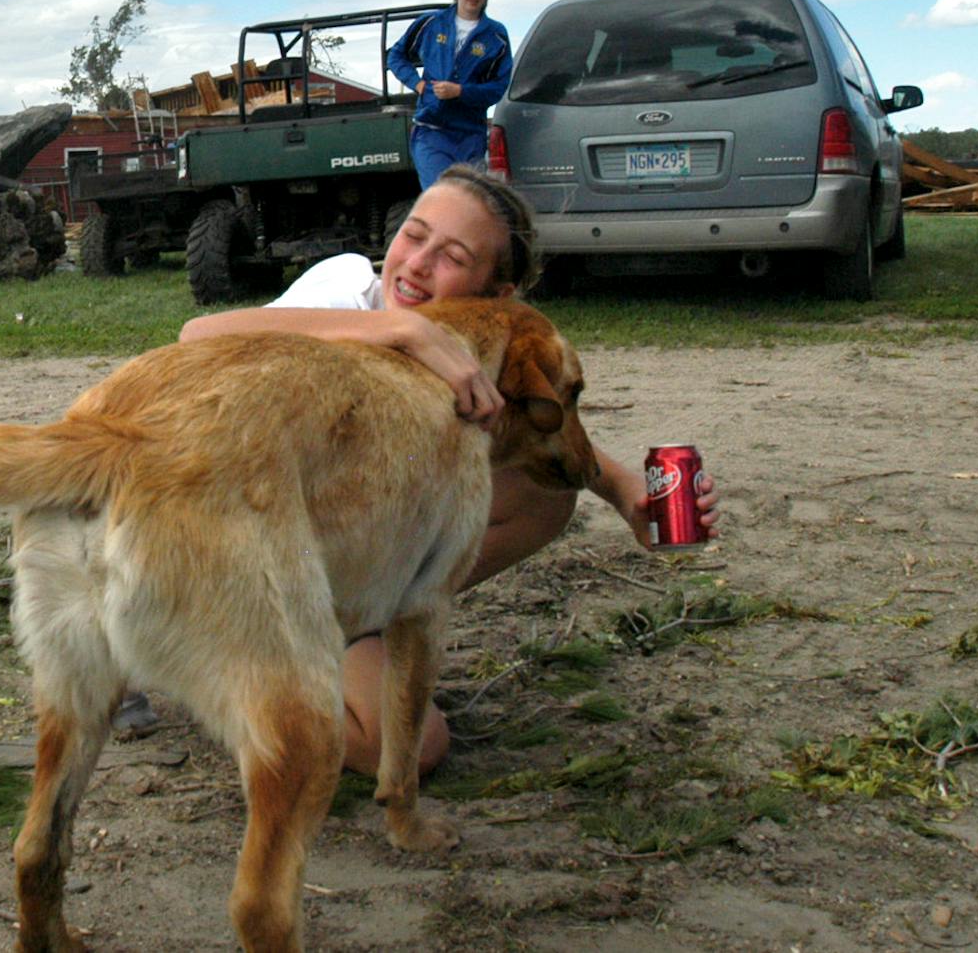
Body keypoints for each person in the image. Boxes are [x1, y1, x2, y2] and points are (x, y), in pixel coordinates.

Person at [178, 165, 719, 775]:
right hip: (242, 569)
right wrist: (400, 328)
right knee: (406, 744)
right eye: (414, 235)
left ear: (496, 297)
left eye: (453, 256)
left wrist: (622, 491)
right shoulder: (347, 291)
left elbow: (537, 427)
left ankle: (359, 625)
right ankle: (218, 667)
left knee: (541, 498)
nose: (416, 264)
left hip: (325, 577)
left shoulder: (477, 351)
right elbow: (197, 337)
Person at [388, 0, 514, 188]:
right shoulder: (431, 23)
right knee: (441, 194)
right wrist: (418, 84)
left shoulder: (496, 36)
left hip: (470, 134)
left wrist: (461, 92)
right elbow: (396, 56)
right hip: (431, 130)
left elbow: (498, 87)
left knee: (468, 199)